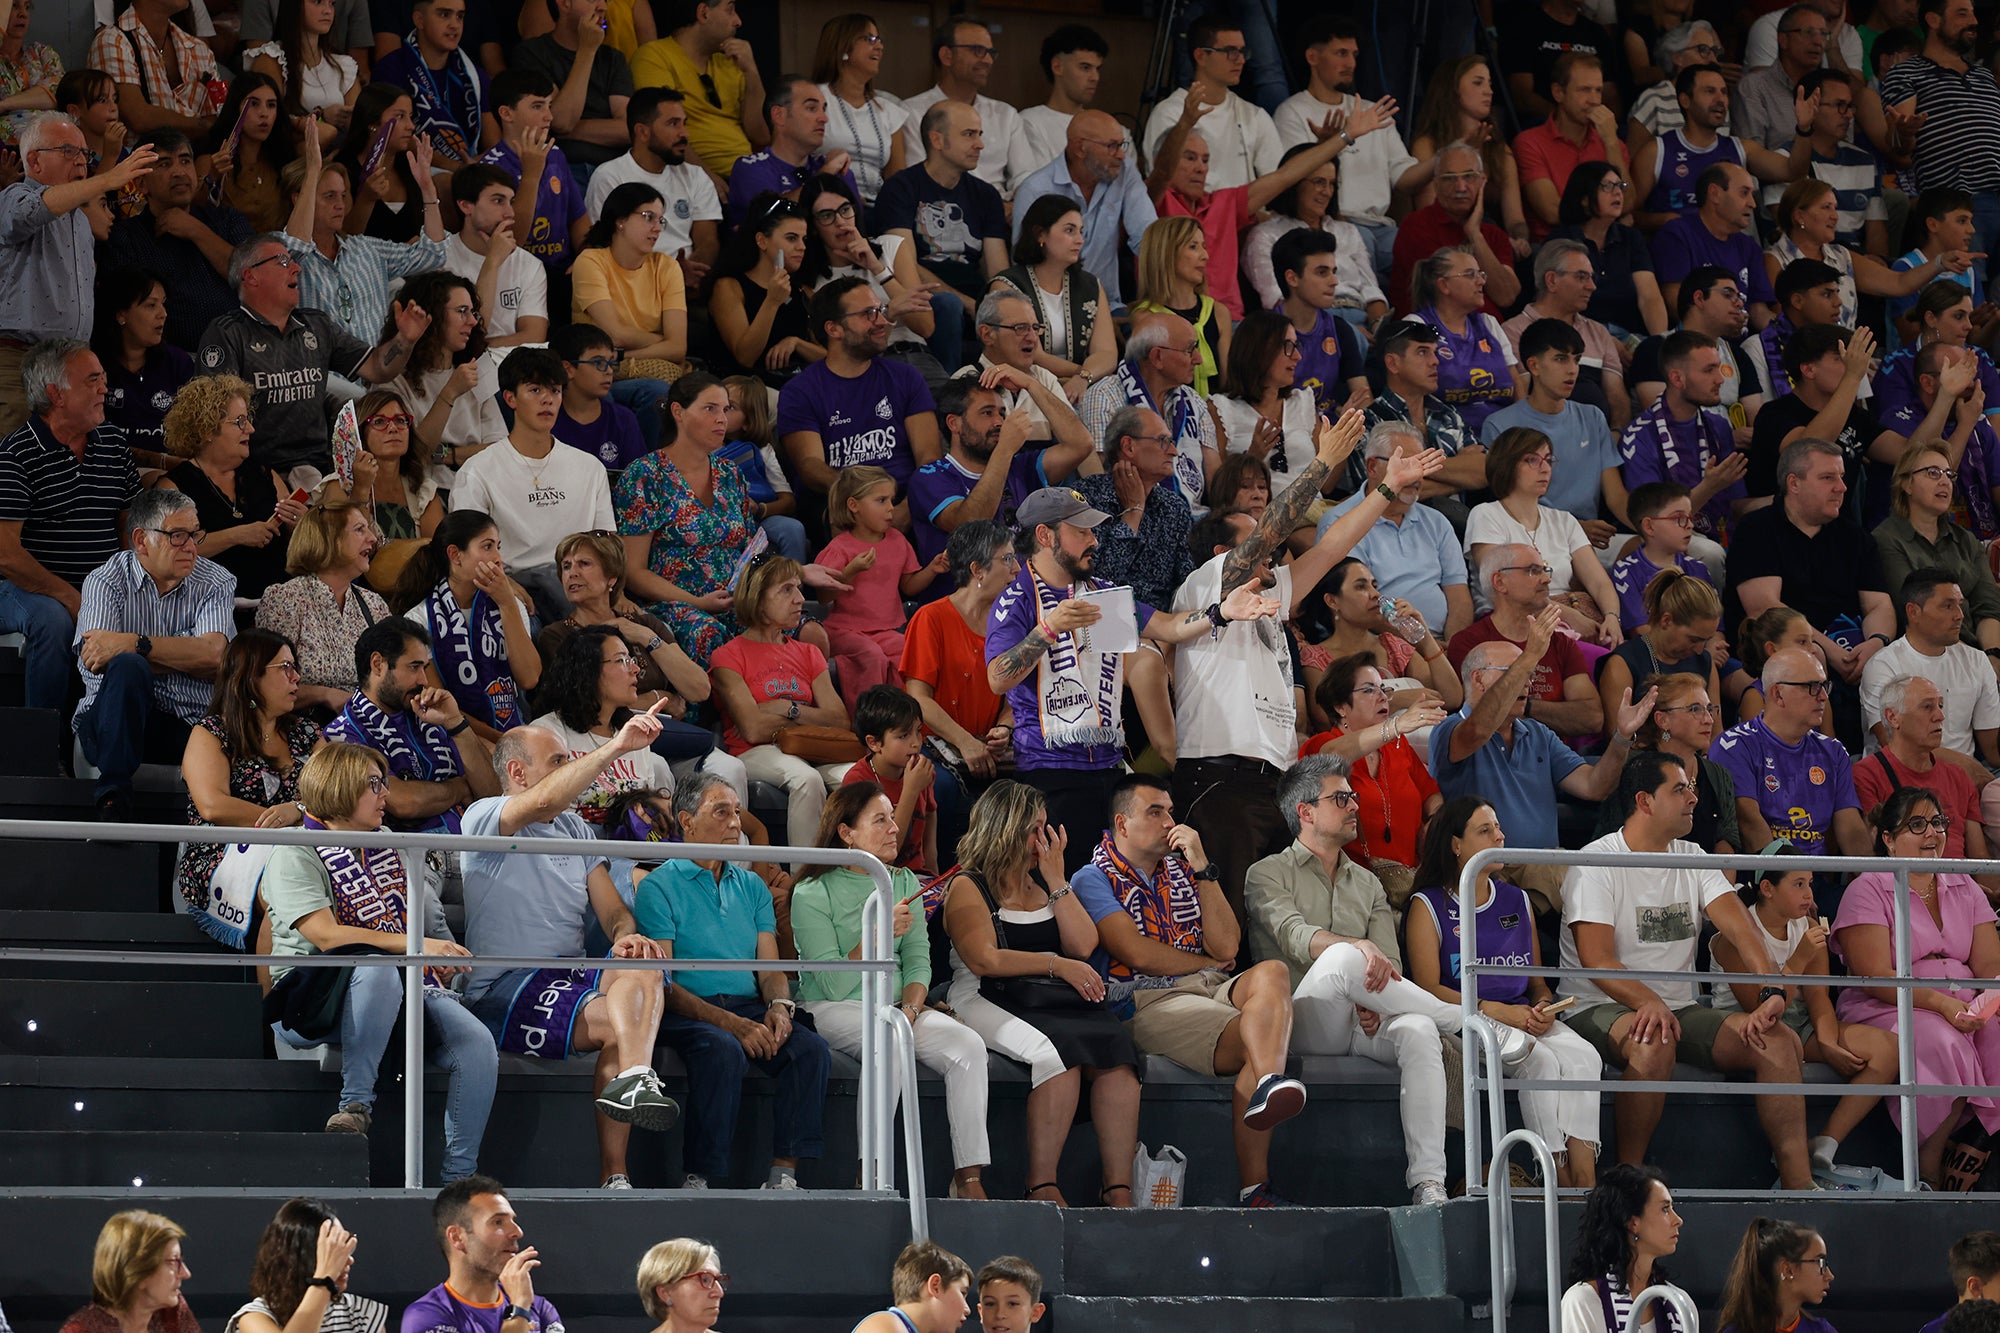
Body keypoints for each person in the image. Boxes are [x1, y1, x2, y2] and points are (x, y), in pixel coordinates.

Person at [1171, 418, 1443, 921]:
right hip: (1220, 777)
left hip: (1272, 780)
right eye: (1255, 541)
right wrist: (1322, 464)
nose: (1271, 549)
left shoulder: (1271, 589)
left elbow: (1334, 545)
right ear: (1220, 554)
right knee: (1226, 913)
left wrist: (1387, 487)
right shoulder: (1208, 583)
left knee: (1274, 925)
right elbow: (1275, 525)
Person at [984, 485, 1281, 869]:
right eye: (1082, 531)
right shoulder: (1016, 600)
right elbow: (997, 678)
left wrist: (1220, 612)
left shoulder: (1103, 594)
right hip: (1049, 774)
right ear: (1045, 535)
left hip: (1109, 768)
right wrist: (1048, 629)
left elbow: (1169, 627)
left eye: (1093, 530)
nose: (1094, 540)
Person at [1561, 749, 1817, 1189]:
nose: (1693, 798)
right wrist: (1649, 1002)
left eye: (1693, 788)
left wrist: (1769, 988)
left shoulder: (1694, 855)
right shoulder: (1596, 861)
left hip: (1678, 1008)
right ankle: (1630, 1182)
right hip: (1598, 1004)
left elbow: (1741, 929)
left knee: (1779, 1041)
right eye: (1679, 789)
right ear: (1644, 801)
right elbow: (1597, 959)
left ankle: (1800, 1186)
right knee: (1653, 1038)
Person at [460, 713, 684, 1189]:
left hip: (573, 975)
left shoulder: (576, 830)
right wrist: (618, 748)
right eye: (558, 760)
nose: (569, 768)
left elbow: (612, 910)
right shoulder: (484, 815)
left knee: (643, 965)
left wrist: (626, 934)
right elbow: (544, 797)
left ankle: (636, 1081)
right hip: (506, 983)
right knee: (622, 1025)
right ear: (518, 772)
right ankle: (616, 1168)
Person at [1071, 774, 1307, 1207]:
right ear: (1122, 824)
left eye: (1170, 811)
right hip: (1146, 998)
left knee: (1272, 972)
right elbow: (1134, 952)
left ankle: (1271, 1082)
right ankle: (1256, 1188)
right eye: (1154, 812)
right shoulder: (1092, 877)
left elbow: (1227, 945)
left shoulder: (1183, 871)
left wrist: (1202, 867)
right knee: (1259, 1033)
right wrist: (1206, 965)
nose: (1169, 822)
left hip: (1205, 986)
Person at [261, 742, 494, 1171]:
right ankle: (355, 1106)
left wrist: (431, 956)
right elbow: (328, 937)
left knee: (477, 1045)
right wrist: (418, 947)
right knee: (377, 966)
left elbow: (407, 924)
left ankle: (458, 1177)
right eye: (374, 784)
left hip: (399, 981)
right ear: (339, 788)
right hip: (311, 998)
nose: (385, 793)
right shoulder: (294, 848)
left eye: (383, 782)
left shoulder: (388, 842)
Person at [939, 780, 1142, 1205]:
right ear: (1007, 828)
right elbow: (984, 960)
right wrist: (1056, 964)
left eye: (1046, 827)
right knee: (1057, 1053)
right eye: (1036, 829)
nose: (1045, 839)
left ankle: (1118, 1189)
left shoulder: (1044, 883)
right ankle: (1041, 1184)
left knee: (1118, 1050)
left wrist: (1055, 877)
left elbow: (1084, 945)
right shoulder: (967, 885)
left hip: (1049, 998)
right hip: (984, 995)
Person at [794, 782, 993, 1198]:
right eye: (879, 820)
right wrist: (877, 933)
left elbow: (920, 960)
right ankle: (872, 1176)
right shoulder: (812, 890)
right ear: (846, 833)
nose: (894, 828)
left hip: (899, 1006)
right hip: (833, 1005)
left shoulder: (902, 882)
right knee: (888, 1039)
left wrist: (913, 1009)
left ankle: (969, 1180)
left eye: (893, 818)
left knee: (969, 1046)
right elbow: (830, 980)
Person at [635, 772, 828, 1189]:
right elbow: (662, 983)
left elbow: (770, 969)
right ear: (686, 821)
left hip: (746, 1004)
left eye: (737, 812)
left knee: (809, 1049)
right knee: (723, 1049)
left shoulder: (753, 886)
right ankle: (699, 1176)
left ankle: (784, 1175)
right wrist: (730, 1024)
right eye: (721, 812)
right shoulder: (658, 886)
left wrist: (779, 1006)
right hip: (687, 1009)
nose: (736, 824)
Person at [1407, 797, 1603, 1186]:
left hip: (1521, 1014)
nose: (1500, 836)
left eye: (1498, 828)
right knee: (1540, 1062)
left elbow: (1536, 983)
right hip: (1464, 1018)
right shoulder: (1427, 904)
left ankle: (1586, 1181)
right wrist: (1494, 1010)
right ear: (1455, 844)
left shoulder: (1517, 899)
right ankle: (1555, 1178)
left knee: (1585, 1059)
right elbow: (1428, 988)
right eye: (1485, 830)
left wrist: (1544, 1005)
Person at [1835, 784, 2000, 1189]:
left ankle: (1978, 1140)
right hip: (1889, 1001)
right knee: (1944, 1042)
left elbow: (1990, 965)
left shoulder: (1964, 884)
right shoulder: (1868, 887)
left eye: (1938, 823)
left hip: (1960, 995)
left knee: (1994, 1032)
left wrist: (1988, 998)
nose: (1933, 834)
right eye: (1917, 825)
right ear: (1888, 840)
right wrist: (1941, 1004)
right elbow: (1874, 976)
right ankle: (1928, 1163)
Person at [1712, 852, 1899, 1182]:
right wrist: (1799, 959)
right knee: (1780, 1041)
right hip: (1749, 1027)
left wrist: (1827, 1041)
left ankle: (1825, 1143)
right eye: (1798, 884)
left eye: (1810, 884)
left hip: (1800, 1025)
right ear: (1767, 888)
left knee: (1888, 1048)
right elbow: (1760, 1007)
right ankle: (1792, 1167)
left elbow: (1819, 998)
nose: (1809, 895)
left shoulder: (1808, 927)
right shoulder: (1732, 937)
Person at [198, 233, 426, 481]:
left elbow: (377, 368)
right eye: (283, 262)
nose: (296, 268)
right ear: (250, 276)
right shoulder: (226, 334)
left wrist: (405, 340)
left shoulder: (316, 325)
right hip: (256, 472)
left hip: (321, 467)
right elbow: (215, 418)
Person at [1432, 610, 1651, 860]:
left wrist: (1622, 737)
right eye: (1514, 671)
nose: (1528, 682)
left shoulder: (1538, 733)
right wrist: (1530, 655)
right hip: (1484, 871)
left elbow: (1594, 786)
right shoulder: (1449, 729)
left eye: (1529, 673)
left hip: (1546, 868)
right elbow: (1478, 730)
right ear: (1478, 679)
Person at [74, 488, 235, 817]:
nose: (191, 547)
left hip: (187, 726)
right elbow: (97, 658)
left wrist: (135, 642)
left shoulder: (215, 581)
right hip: (110, 723)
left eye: (194, 534)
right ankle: (113, 800)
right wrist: (178, 657)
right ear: (141, 540)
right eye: (177, 536)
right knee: (129, 669)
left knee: (131, 657)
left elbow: (215, 658)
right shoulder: (106, 581)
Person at [0, 118, 154, 438]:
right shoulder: (13, 196)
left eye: (84, 153)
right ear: (34, 161)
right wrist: (107, 179)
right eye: (68, 151)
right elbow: (29, 214)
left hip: (68, 366)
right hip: (18, 361)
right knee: (13, 469)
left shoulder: (80, 223)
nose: (81, 160)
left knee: (60, 472)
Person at [177, 629, 319, 941]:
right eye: (285, 668)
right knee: (285, 894)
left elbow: (337, 794)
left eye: (296, 667)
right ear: (250, 675)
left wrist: (297, 810)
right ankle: (279, 990)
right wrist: (283, 823)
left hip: (301, 848)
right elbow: (213, 805)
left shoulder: (308, 734)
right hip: (223, 853)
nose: (296, 677)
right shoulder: (212, 732)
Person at [449, 348, 613, 615]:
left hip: (581, 588)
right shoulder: (478, 470)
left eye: (555, 391)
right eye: (535, 390)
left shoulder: (590, 468)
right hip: (513, 589)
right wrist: (506, 585)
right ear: (510, 398)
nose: (547, 400)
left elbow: (607, 544)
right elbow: (469, 554)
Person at [614, 371, 760, 666]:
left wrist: (798, 574)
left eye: (726, 409)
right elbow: (634, 571)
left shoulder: (731, 474)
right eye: (710, 408)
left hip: (736, 599)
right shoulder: (645, 475)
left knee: (800, 627)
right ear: (678, 412)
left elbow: (751, 550)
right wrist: (696, 602)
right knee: (707, 633)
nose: (722, 419)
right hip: (675, 605)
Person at [539, 530, 720, 766]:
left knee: (729, 767)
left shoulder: (646, 624)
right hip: (603, 742)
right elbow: (585, 704)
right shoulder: (558, 636)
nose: (572, 573)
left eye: (584, 564)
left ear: (612, 577)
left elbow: (699, 689)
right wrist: (658, 697)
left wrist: (647, 638)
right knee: (657, 766)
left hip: (664, 735)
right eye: (565, 566)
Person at [708, 555, 850, 852]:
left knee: (857, 778)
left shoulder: (809, 653)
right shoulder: (728, 655)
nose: (800, 599)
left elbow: (839, 720)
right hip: (755, 753)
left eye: (799, 588)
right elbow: (753, 728)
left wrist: (787, 708)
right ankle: (806, 884)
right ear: (758, 600)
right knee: (806, 779)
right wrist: (811, 716)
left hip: (811, 747)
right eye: (786, 590)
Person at [1726, 438, 1894, 682]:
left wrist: (1876, 643)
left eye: (1842, 476)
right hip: (1780, 661)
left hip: (1851, 653)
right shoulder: (1756, 530)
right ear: (1794, 483)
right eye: (1828, 478)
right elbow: (1764, 609)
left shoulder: (1854, 536)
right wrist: (1831, 651)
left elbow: (1879, 604)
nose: (1842, 487)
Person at [1271, 15, 1426, 276]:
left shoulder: (1370, 111)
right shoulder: (1292, 112)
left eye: (1354, 54)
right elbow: (1291, 182)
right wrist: (1327, 145)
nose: (1351, 63)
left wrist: (1443, 160)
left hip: (1382, 225)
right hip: (1332, 224)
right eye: (1341, 53)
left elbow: (1404, 177)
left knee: (1428, 258)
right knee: (1359, 246)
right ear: (1312, 57)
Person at [323, 618, 499, 833]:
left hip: (475, 847)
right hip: (415, 859)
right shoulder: (343, 732)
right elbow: (405, 802)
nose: (424, 680)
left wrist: (456, 724)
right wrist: (460, 787)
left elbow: (492, 795)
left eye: (424, 668)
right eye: (414, 667)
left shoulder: (431, 714)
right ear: (378, 664)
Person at [778, 276, 941, 508]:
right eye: (869, 314)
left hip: (909, 503)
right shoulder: (799, 391)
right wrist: (865, 502)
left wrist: (907, 511)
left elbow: (929, 458)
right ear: (833, 329)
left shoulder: (906, 377)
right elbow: (810, 466)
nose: (883, 321)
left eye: (881, 310)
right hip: (845, 508)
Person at [280, 128, 447, 351]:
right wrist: (312, 172)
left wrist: (427, 189)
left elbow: (432, 255)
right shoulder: (278, 251)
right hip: (322, 379)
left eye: (343, 195)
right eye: (329, 196)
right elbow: (295, 246)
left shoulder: (366, 248)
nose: (340, 204)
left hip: (376, 376)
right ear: (298, 198)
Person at [909, 368, 1091, 570]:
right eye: (987, 413)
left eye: (1002, 413)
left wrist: (1031, 385)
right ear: (954, 423)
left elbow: (1081, 445)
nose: (999, 422)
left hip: (1021, 596)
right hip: (963, 599)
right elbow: (970, 526)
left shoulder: (1019, 466)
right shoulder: (930, 476)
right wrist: (1005, 448)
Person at [389, 510, 540, 742]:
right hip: (452, 735)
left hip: (509, 727)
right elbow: (439, 704)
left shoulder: (510, 605)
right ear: (455, 555)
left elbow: (529, 678)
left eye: (498, 546)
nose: (499, 558)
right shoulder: (418, 619)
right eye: (487, 546)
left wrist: (508, 603)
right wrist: (500, 740)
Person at [1713, 644, 1870, 867]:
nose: (1824, 696)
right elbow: (1749, 823)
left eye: (1825, 686)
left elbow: (1851, 830)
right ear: (1778, 694)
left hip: (1816, 880)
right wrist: (1789, 882)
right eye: (1813, 687)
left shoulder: (1833, 751)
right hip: (1764, 879)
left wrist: (1876, 881)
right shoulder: (1734, 745)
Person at [1299, 651, 1448, 884]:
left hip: (1408, 881)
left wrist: (1434, 822)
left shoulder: (1398, 746)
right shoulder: (1322, 744)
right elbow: (1330, 757)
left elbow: (1431, 794)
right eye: (1369, 690)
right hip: (1347, 886)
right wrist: (1397, 725)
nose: (1382, 697)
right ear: (1340, 707)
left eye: (1383, 689)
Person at [1316, 422, 1475, 640]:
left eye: (1420, 466)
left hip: (1443, 645)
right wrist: (1426, 646)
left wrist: (1451, 649)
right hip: (1382, 645)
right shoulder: (1340, 523)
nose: (1416, 476)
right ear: (1372, 467)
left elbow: (1459, 598)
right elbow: (1362, 606)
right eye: (1406, 465)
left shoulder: (1437, 522)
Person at [1466, 427, 1627, 642]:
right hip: (1514, 619)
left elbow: (1599, 582)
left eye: (1548, 460)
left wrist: (1612, 618)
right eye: (1532, 460)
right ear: (1506, 465)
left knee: (1623, 653)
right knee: (1602, 662)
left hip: (1570, 614)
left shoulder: (1564, 520)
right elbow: (1501, 584)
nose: (1545, 469)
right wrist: (1567, 616)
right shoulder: (1486, 514)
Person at [104, 129, 255, 355]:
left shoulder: (226, 220)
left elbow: (256, 279)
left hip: (243, 352)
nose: (179, 172)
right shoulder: (125, 238)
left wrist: (196, 231)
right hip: (170, 364)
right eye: (164, 164)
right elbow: (124, 318)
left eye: (185, 161)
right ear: (141, 183)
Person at [1872, 0, 2000, 263]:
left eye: (1974, 13)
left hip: (1997, 193)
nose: (1974, 21)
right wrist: (1905, 132)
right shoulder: (1906, 72)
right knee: (1964, 292)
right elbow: (1898, 144)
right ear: (1933, 20)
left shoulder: (1984, 76)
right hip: (1955, 204)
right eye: (1962, 14)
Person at [155, 374, 301, 601]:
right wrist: (237, 535)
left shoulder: (263, 474)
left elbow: (299, 543)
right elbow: (170, 551)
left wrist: (298, 524)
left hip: (279, 601)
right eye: (240, 421)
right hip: (211, 607)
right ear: (207, 430)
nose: (251, 429)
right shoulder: (174, 487)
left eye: (248, 419)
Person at [1450, 542, 1608, 738]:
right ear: (1499, 582)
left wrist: (1518, 702)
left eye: (1545, 570)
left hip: (1557, 761)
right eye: (1533, 571)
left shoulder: (1561, 643)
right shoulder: (1468, 643)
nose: (1546, 580)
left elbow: (1591, 717)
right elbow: (1478, 713)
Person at [1009, 109, 1156, 314]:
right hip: (1051, 308)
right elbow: (1024, 265)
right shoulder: (1036, 190)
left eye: (1122, 145)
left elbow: (1148, 237)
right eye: (1111, 146)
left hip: (1109, 305)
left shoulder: (1124, 172)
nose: (1121, 155)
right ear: (1080, 149)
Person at [901, 519, 1012, 783]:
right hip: (933, 748)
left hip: (987, 750)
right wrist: (964, 741)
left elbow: (1012, 698)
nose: (1017, 569)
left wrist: (1004, 728)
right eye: (1007, 559)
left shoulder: (1009, 624)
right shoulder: (931, 617)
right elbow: (918, 699)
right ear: (978, 570)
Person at [1620, 331, 1751, 553]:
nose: (1720, 379)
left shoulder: (1718, 426)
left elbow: (1737, 505)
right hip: (1665, 545)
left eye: (1718, 368)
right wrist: (1709, 487)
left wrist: (1784, 503)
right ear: (1677, 378)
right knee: (1709, 552)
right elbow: (1654, 523)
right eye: (1709, 370)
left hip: (1722, 533)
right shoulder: (1640, 436)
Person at [1300, 556, 1465, 730]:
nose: (1375, 595)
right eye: (1361, 587)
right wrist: (1393, 700)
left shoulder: (1392, 645)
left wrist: (1425, 638)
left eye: (1374, 586)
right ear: (1332, 601)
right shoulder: (1315, 657)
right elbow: (1326, 719)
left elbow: (1451, 699)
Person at [255, 501, 390, 712]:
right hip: (305, 728)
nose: (372, 538)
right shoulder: (285, 599)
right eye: (359, 530)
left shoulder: (374, 604)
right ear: (330, 540)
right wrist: (324, 695)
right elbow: (265, 685)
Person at [1075, 312, 1212, 520]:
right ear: (1157, 357)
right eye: (1190, 350)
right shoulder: (1104, 397)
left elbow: (1216, 479)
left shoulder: (1194, 401)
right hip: (1134, 517)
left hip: (1197, 521)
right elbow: (1100, 482)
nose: (1199, 359)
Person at [1863, 572, 2000, 767]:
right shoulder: (1883, 665)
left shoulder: (1976, 660)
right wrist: (1967, 767)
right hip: (1904, 780)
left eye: (1959, 605)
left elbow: (1994, 752)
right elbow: (1896, 747)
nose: (1959, 615)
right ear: (1913, 612)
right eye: (1947, 606)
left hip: (1966, 779)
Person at [1240, 145, 1386, 327]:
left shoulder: (1348, 232)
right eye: (1319, 182)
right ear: (1294, 183)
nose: (1326, 191)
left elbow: (1371, 290)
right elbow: (1277, 300)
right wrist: (1342, 331)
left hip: (1361, 318)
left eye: (1331, 184)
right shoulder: (1266, 235)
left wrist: (1381, 328)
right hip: (1310, 324)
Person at [1876, 442, 2000, 655]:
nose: (1945, 481)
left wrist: (1993, 656)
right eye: (1933, 473)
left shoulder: (1966, 540)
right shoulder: (1886, 539)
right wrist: (1972, 664)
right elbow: (1917, 613)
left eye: (1949, 474)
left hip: (1980, 653)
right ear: (1906, 484)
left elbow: (1988, 606)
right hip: (1925, 656)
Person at [989, 196, 1116, 400]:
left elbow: (1107, 353)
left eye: (1080, 231)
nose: (1080, 239)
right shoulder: (1007, 284)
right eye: (1069, 230)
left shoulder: (1090, 285)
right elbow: (1032, 354)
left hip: (1080, 389)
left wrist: (1083, 380)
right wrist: (1083, 374)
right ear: (1041, 234)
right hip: (1020, 387)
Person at [629, 0, 765, 187]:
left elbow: (760, 135)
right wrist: (707, 178)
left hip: (746, 175)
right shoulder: (654, 56)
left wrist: (752, 71)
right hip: (688, 179)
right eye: (730, 10)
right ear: (703, 13)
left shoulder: (731, 61)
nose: (738, 21)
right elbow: (663, 131)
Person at [1138, 16, 1280, 193]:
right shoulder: (1168, 113)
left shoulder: (1254, 115)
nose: (1241, 60)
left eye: (1242, 51)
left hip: (1248, 216)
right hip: (1191, 218)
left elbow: (1277, 180)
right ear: (1201, 56)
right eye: (1230, 51)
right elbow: (1161, 183)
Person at [1408, 56, 1530, 260]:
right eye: (1478, 82)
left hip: (1492, 237)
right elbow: (1429, 210)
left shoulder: (1499, 150)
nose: (1489, 91)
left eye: (1489, 84)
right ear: (1453, 90)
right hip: (1445, 243)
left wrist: (1520, 239)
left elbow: (1516, 219)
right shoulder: (1427, 144)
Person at [405, 1177, 563, 1333]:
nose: (517, 1232)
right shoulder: (427, 1316)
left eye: (513, 1221)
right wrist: (519, 1310)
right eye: (498, 1222)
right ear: (457, 1237)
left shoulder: (540, 1309)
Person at [1875, 345, 2000, 540]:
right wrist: (1965, 425)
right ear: (1927, 383)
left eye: (1972, 373)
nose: (1971, 383)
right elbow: (1934, 470)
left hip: (1981, 543)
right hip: (1920, 543)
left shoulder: (1980, 423)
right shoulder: (1899, 420)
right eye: (1959, 373)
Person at [1391, 145, 1525, 325]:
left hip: (1487, 335)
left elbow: (1506, 296)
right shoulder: (1417, 225)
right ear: (1436, 185)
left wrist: (1475, 234)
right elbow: (1447, 295)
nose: (1460, 187)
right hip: (1429, 333)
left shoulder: (1494, 235)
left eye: (1469, 177)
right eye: (1449, 179)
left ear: (1482, 182)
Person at [1502, 249, 1633, 433]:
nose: (1592, 286)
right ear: (1552, 280)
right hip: (1543, 442)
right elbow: (1520, 398)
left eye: (1591, 277)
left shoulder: (1598, 332)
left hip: (1601, 441)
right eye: (1581, 277)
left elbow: (1618, 399)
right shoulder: (1512, 331)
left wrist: (1616, 435)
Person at [480, 70, 590, 284]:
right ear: (506, 113)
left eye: (549, 105)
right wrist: (531, 175)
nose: (549, 116)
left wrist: (588, 257)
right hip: (515, 277)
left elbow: (578, 218)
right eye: (537, 106)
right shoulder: (491, 168)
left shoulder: (556, 155)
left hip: (562, 272)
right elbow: (511, 242)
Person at [505, 0, 635, 175]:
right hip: (562, 167)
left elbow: (628, 129)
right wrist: (587, 51)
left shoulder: (613, 59)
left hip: (614, 169)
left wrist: (565, 131)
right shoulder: (532, 54)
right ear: (565, 4)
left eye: (605, 0)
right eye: (592, 0)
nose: (603, 7)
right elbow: (563, 120)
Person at [1403, 245, 1522, 435]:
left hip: (1503, 434)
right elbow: (1410, 396)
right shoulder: (1417, 325)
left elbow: (1517, 385)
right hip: (1448, 435)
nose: (1481, 281)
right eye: (1470, 275)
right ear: (1444, 285)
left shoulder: (1489, 323)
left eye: (1481, 274)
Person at [1515, 54, 1630, 246]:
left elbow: (1627, 202)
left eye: (1598, 91)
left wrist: (1610, 142)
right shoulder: (1529, 142)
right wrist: (1609, 214)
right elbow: (1552, 211)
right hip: (1554, 247)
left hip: (1605, 245)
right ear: (1558, 92)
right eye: (1584, 90)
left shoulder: (1613, 143)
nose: (1594, 100)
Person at [1559, 1166, 1689, 1333]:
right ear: (1633, 1223)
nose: (1678, 1220)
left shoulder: (1681, 1304)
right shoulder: (1582, 1301)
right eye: (1665, 1209)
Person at [898, 19, 1018, 198]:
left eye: (990, 52)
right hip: (943, 207)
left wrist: (1017, 207)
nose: (987, 60)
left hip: (1006, 214)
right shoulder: (912, 111)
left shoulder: (1006, 114)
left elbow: (1025, 175)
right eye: (977, 50)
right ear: (947, 55)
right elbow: (921, 174)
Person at [707, 193, 817, 387]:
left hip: (798, 384)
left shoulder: (803, 290)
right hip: (747, 389)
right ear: (762, 241)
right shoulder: (728, 287)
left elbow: (833, 356)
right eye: (791, 238)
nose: (802, 247)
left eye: (804, 239)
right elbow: (745, 357)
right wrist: (772, 301)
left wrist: (797, 343)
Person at [1653, 163, 1780, 327]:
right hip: (1698, 343)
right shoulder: (1677, 235)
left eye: (1752, 194)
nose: (1753, 203)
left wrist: (1786, 338)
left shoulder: (1749, 247)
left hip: (1742, 347)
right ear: (1715, 194)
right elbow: (1676, 303)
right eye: (1744, 193)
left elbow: (1758, 311)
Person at [1551, 160, 1668, 338]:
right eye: (1607, 186)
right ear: (1583, 198)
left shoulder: (1631, 237)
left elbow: (1649, 297)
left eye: (1620, 186)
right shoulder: (1562, 241)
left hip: (1630, 335)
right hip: (1580, 337)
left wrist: (1659, 342)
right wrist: (1605, 342)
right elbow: (1558, 306)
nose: (1618, 192)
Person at [441, 167, 548, 358]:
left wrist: (483, 347)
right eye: (498, 201)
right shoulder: (441, 258)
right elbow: (466, 335)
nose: (510, 213)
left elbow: (534, 335)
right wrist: (492, 261)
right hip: (462, 367)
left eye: (511, 202)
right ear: (466, 206)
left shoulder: (529, 264)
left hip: (516, 366)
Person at [93, 268, 194, 472]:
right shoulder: (94, 364)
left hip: (171, 475)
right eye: (151, 305)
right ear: (121, 314)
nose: (163, 314)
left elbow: (195, 434)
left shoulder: (177, 362)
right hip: (109, 472)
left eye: (163, 304)